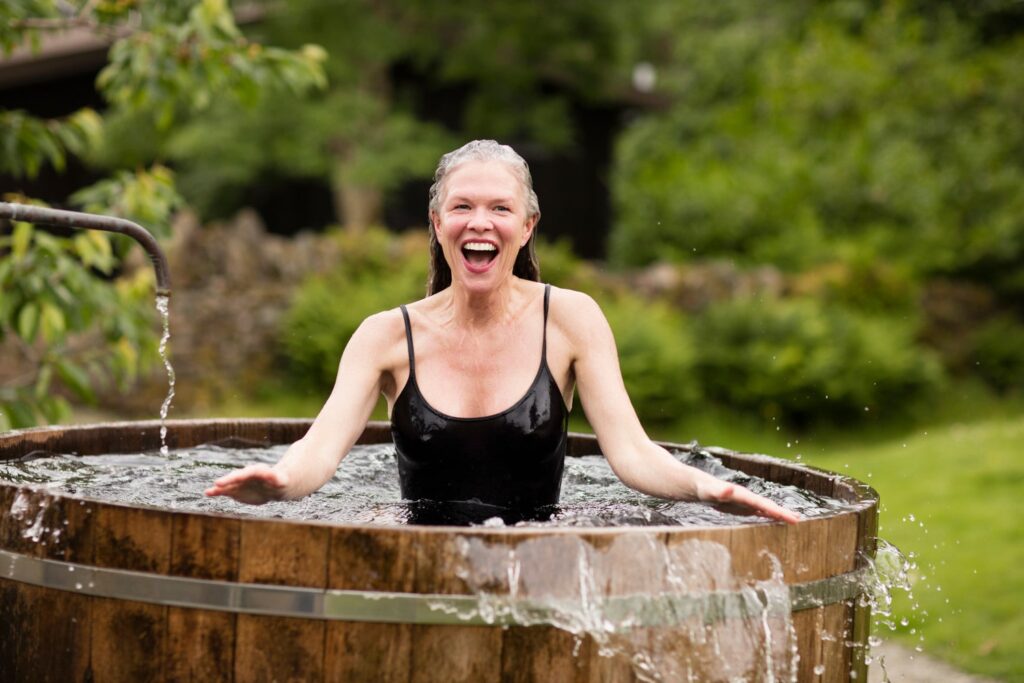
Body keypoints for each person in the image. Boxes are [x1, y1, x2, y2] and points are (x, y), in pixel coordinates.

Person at [205, 140, 799, 525]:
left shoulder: (571, 319)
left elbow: (634, 453)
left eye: (499, 208)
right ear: (437, 223)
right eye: (462, 207)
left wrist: (707, 491)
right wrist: (279, 482)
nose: (479, 223)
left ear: (527, 224)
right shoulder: (385, 336)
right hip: (417, 570)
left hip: (542, 568)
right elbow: (320, 450)